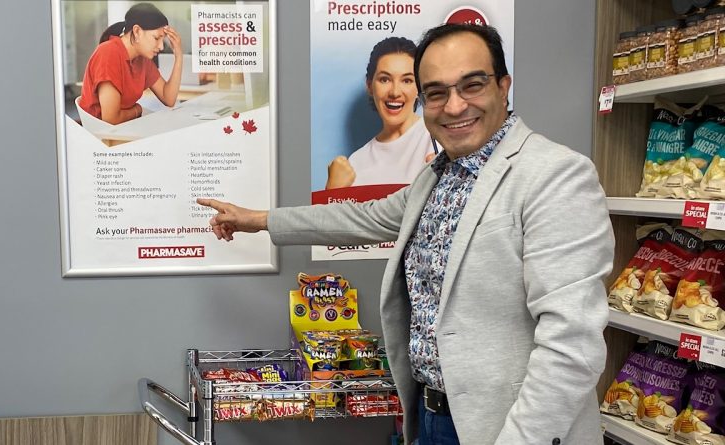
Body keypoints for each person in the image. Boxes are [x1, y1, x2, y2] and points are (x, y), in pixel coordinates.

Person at [198, 23, 613, 445]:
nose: (454, 106)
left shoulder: (556, 174)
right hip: (429, 417)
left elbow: (572, 345)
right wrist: (259, 219)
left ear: (503, 86)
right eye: (436, 92)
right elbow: (362, 218)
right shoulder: (438, 175)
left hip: (504, 428)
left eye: (472, 85)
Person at [326, 37, 438, 189]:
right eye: (385, 79)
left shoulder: (439, 139)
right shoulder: (356, 163)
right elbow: (338, 214)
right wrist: (333, 192)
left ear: (419, 87)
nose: (395, 92)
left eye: (407, 80)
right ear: (369, 86)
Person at [78, 3, 183, 125]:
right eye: (156, 38)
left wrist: (179, 56)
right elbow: (110, 119)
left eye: (162, 40)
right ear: (137, 31)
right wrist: (137, 110)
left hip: (127, 128)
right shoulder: (108, 53)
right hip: (103, 136)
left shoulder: (142, 59)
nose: (161, 46)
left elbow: (168, 98)